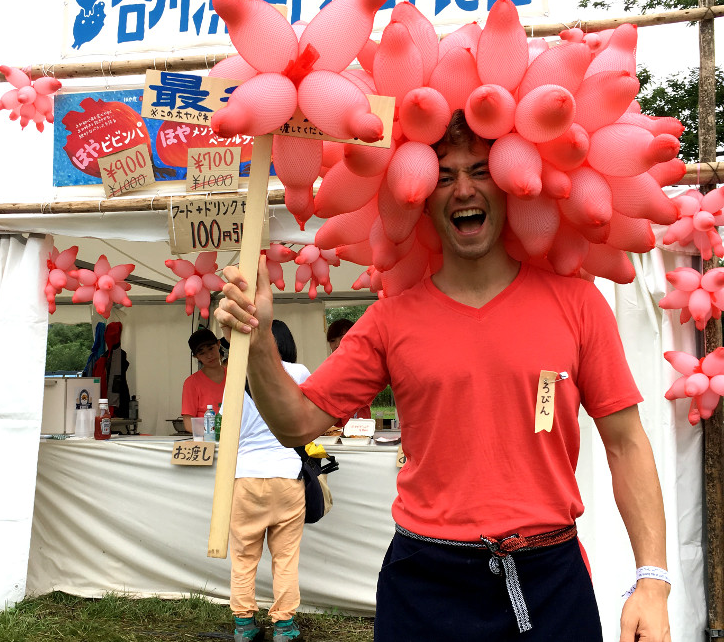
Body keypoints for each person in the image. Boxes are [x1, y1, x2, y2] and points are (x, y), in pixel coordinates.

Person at [214, 110, 671, 642]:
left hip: (548, 578)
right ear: (419, 197)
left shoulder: (579, 305)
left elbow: (626, 444)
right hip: (424, 583)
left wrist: (652, 581)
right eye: (444, 176)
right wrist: (261, 339)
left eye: (480, 171)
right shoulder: (389, 320)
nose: (463, 190)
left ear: (510, 187)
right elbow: (296, 424)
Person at [228, 320, 309, 642]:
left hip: (246, 475)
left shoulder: (237, 373)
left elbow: (227, 424)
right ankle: (284, 627)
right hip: (287, 473)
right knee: (285, 557)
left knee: (244, 555)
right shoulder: (299, 372)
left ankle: (244, 625)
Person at [181, 327, 226, 433]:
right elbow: (189, 425)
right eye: (202, 353)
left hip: (239, 440)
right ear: (196, 357)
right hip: (208, 442)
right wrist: (218, 433)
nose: (209, 355)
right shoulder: (191, 383)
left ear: (218, 344)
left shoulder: (235, 376)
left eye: (211, 348)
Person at [326, 318, 372, 420]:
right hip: (334, 430)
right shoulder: (327, 370)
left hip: (360, 429)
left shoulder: (366, 368)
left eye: (343, 338)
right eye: (332, 341)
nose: (337, 345)